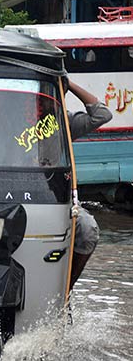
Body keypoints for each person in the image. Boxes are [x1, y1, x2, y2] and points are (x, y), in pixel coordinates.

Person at [66, 79, 113, 288]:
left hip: (54, 197)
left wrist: (69, 84)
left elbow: (103, 115)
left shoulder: (63, 122)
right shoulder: (9, 121)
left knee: (87, 229)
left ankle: (67, 288)